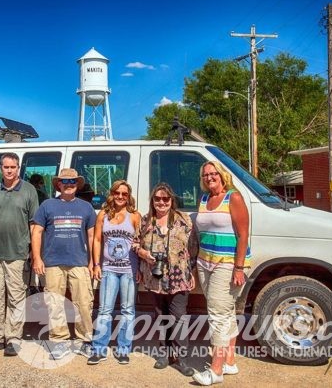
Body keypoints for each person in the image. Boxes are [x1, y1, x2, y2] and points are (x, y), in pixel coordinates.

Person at [192, 161, 250, 386]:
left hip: (227, 264)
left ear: (222, 175)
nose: (209, 177)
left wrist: (239, 267)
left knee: (216, 314)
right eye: (205, 175)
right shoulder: (205, 199)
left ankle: (215, 371)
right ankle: (229, 361)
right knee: (225, 312)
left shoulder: (233, 197)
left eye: (213, 173)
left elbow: (243, 235)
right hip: (205, 263)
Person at [31, 168, 96, 360]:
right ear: (58, 185)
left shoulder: (86, 207)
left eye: (73, 182)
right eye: (65, 182)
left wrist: (93, 262)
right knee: (55, 304)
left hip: (79, 262)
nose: (69, 185)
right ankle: (59, 341)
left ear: (78, 184)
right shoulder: (47, 205)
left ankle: (85, 340)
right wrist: (37, 258)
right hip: (52, 263)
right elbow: (36, 232)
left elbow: (92, 236)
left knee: (84, 303)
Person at [0, 153, 39, 356]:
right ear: (0, 168)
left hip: (18, 254)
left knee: (16, 298)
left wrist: (34, 252)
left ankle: (13, 339)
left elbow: (34, 225)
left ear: (18, 168)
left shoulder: (29, 190)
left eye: (13, 167)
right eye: (6, 167)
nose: (10, 170)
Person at [136, 182, 196, 376]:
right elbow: (134, 243)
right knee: (161, 317)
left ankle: (182, 358)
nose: (161, 202)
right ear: (152, 201)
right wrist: (144, 254)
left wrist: (191, 272)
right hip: (154, 279)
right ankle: (164, 354)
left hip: (179, 279)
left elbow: (193, 248)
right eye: (157, 199)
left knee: (179, 318)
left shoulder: (184, 220)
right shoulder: (145, 221)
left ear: (172, 200)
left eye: (165, 199)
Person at [87, 180, 141, 365]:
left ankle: (124, 348)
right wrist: (96, 264)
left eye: (124, 194)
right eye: (117, 193)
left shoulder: (134, 216)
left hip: (129, 270)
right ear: (112, 194)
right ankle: (99, 348)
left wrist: (140, 268)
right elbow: (97, 240)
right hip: (109, 269)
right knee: (104, 310)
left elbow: (139, 243)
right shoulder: (103, 214)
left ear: (129, 196)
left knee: (128, 310)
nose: (120, 197)